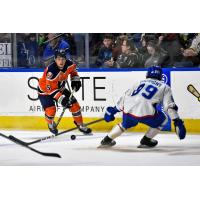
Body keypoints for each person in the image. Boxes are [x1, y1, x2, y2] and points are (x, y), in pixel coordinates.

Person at [100, 66, 186, 148]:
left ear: (147, 74)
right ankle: (146, 140)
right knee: (164, 119)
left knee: (125, 124)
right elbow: (169, 107)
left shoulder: (139, 82)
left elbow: (125, 96)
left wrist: (114, 109)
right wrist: (177, 121)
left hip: (128, 111)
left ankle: (107, 140)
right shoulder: (165, 87)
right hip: (146, 114)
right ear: (160, 76)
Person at [38, 49, 92, 135]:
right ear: (55, 59)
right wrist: (62, 100)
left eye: (63, 59)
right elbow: (50, 90)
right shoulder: (51, 71)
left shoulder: (69, 64)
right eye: (59, 59)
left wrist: (75, 80)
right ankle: (50, 123)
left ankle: (80, 125)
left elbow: (73, 71)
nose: (61, 61)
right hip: (45, 91)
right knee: (51, 111)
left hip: (60, 88)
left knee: (74, 105)